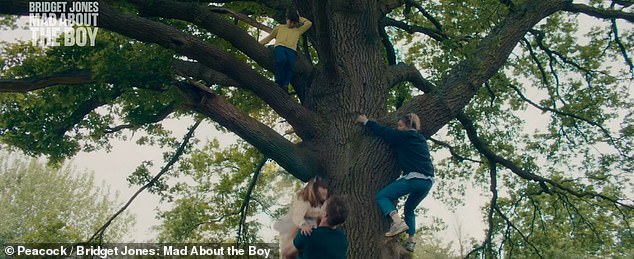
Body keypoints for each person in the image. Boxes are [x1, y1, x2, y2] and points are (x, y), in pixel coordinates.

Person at [355, 113, 434, 252]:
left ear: (408, 126)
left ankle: (397, 222)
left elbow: (384, 132)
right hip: (427, 183)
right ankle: (411, 241)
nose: (397, 128)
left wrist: (366, 121)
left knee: (382, 196)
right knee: (409, 208)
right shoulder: (420, 139)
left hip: (414, 178)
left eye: (400, 126)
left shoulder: (403, 136)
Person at [274, 176, 328, 259]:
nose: (325, 191)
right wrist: (303, 224)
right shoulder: (303, 198)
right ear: (315, 189)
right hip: (294, 230)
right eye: (323, 188)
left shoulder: (319, 204)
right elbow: (297, 215)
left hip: (304, 234)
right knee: (288, 255)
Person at [258, 9, 312, 92]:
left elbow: (309, 23)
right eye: (290, 22)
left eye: (294, 23)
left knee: (290, 65)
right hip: (280, 47)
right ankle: (278, 81)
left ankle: (285, 84)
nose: (292, 24)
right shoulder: (279, 27)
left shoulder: (297, 31)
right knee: (281, 60)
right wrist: (259, 43)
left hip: (291, 50)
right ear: (287, 20)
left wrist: (299, 17)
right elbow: (270, 37)